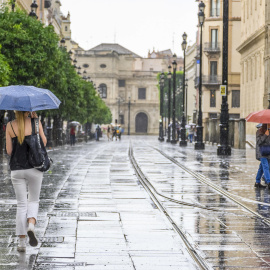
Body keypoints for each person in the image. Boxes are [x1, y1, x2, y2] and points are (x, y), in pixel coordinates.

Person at [5, 111, 47, 252]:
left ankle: (21, 243)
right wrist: (36, 123)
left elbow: (9, 151)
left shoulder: (9, 125)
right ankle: (31, 224)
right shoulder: (35, 123)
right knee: (33, 201)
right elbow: (44, 143)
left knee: (21, 205)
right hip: (34, 168)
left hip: (17, 169)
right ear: (29, 110)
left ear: (15, 111)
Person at [255, 123, 270, 188]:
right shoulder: (259, 131)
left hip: (268, 152)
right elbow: (259, 142)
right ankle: (268, 181)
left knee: (261, 168)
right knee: (266, 166)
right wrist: (265, 135)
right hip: (261, 152)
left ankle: (257, 182)